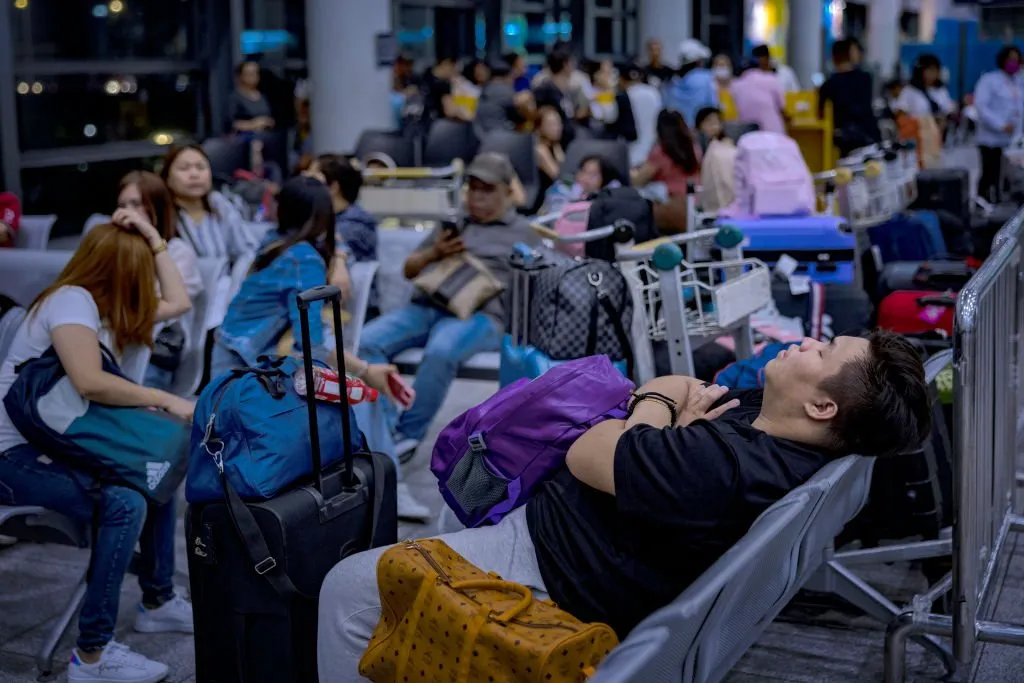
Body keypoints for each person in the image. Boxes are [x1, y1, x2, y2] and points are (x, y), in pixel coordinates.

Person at [318, 331, 932, 680]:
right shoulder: (768, 426)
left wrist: (653, 426)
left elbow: (591, 450)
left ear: (823, 407)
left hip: (549, 566)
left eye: (821, 352)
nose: (804, 343)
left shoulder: (720, 466)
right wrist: (656, 422)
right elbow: (667, 386)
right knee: (471, 487)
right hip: (566, 532)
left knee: (347, 587)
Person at [0, 218, 195, 683]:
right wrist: (165, 398)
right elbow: (89, 380)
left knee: (156, 470)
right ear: (117, 272)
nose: (146, 284)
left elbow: (181, 301)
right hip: (12, 459)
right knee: (125, 501)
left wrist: (153, 238)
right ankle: (92, 656)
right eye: (140, 271)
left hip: (55, 447)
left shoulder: (102, 312)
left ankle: (158, 600)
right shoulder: (71, 302)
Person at [357, 153, 542, 463]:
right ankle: (386, 428)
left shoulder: (524, 233)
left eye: (488, 189)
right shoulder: (454, 224)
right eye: (473, 188)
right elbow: (409, 269)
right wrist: (436, 252)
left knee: (441, 350)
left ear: (508, 192)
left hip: (482, 316)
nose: (478, 197)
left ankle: (407, 435)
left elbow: (537, 287)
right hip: (428, 307)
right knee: (364, 343)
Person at [117, 171, 204, 392]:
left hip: (152, 353)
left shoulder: (177, 252)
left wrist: (151, 237)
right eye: (123, 205)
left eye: (136, 204)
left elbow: (173, 306)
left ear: (156, 207)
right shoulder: (116, 249)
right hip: (114, 346)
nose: (129, 212)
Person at [160, 144, 256, 264]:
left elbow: (246, 251)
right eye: (184, 168)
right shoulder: (161, 215)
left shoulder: (220, 205)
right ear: (167, 177)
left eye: (201, 167)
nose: (194, 174)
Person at [974, 46, 1024, 203]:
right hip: (991, 139)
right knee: (990, 174)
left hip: (1012, 141)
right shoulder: (990, 80)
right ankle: (983, 203)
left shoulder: (1018, 82)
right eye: (1010, 59)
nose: (1014, 63)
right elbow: (981, 106)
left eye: (1016, 60)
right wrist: (1001, 124)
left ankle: (1004, 205)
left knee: (1009, 177)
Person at [819, 38, 881, 157]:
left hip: (845, 140)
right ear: (852, 53)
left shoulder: (828, 85)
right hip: (869, 135)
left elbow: (821, 112)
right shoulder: (866, 79)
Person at [632, 109, 701, 200]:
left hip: (671, 204)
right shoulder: (695, 148)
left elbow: (639, 181)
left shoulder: (660, 152)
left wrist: (631, 174)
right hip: (695, 200)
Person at [731, 46, 788, 134]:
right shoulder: (771, 79)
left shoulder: (735, 85)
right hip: (772, 132)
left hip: (747, 133)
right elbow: (781, 108)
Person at [664, 39, 718, 127]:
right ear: (698, 61)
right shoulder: (706, 78)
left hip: (676, 130)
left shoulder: (671, 81)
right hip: (700, 131)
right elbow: (713, 106)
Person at [621, 62, 663, 168]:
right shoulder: (654, 93)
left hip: (630, 154)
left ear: (622, 79)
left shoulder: (624, 96)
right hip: (653, 153)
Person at [893, 54, 956, 124]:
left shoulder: (941, 90)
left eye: (935, 70)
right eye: (930, 70)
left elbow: (948, 110)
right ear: (921, 71)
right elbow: (900, 112)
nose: (933, 74)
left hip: (937, 132)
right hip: (916, 130)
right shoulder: (910, 90)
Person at [532, 106, 566, 214]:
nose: (557, 128)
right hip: (541, 201)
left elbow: (566, 167)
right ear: (540, 127)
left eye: (558, 123)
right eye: (551, 124)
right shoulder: (540, 150)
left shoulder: (555, 146)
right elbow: (558, 176)